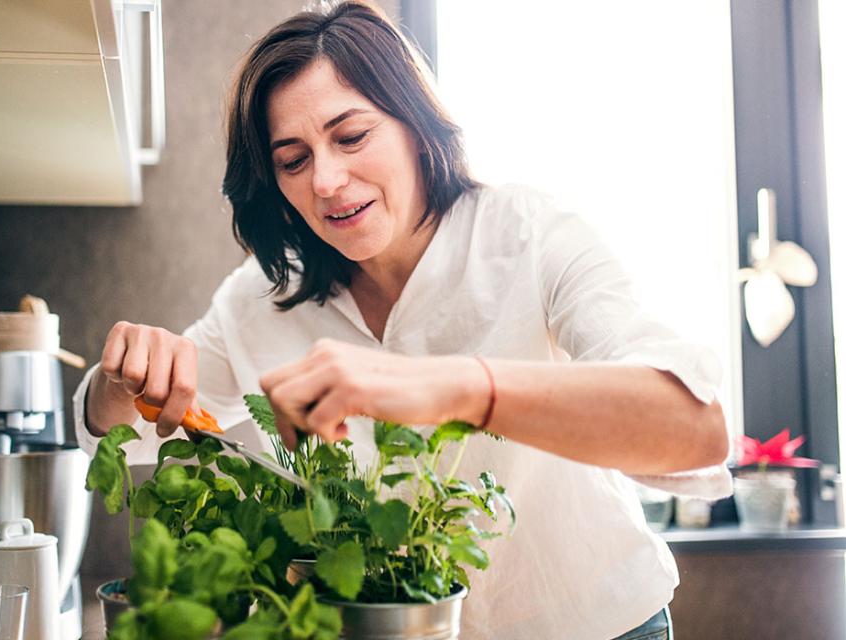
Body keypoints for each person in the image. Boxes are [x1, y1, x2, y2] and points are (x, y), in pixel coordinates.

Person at [73, 2, 731, 638]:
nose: (326, 180)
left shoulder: (529, 235)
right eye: (293, 160)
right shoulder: (261, 299)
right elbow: (121, 431)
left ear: (417, 127)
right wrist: (120, 379)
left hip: (597, 625)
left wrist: (462, 388)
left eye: (352, 136)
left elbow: (697, 430)